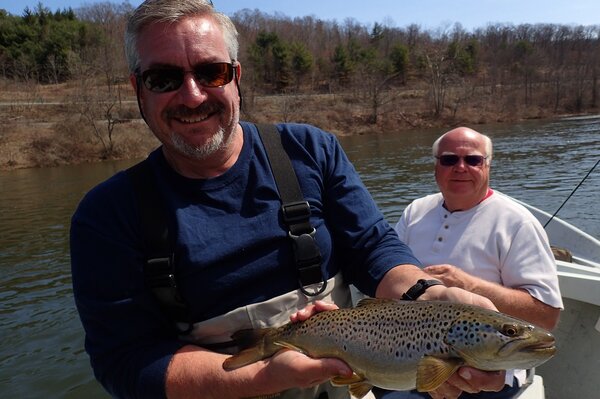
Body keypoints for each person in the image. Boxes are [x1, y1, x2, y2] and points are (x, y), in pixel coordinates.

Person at [70, 2, 504, 398]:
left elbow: (371, 247)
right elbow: (126, 363)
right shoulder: (107, 215)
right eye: (163, 78)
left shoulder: (309, 150)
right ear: (138, 89)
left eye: (211, 72)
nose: (192, 95)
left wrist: (426, 296)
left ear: (236, 78)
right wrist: (268, 375)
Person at [375, 127, 563, 399]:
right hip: (406, 355)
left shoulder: (518, 223)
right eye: (449, 159)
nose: (461, 167)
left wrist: (469, 285)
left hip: (484, 371)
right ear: (436, 166)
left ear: (488, 165)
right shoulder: (415, 211)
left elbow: (547, 315)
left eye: (473, 160)